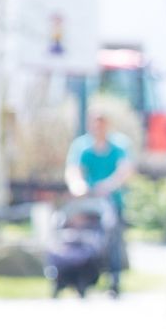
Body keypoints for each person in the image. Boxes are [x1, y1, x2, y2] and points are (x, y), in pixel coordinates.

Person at [64, 112, 135, 296]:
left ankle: (114, 279)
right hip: (88, 203)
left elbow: (125, 170)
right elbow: (73, 170)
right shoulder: (82, 146)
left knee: (114, 240)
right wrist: (78, 186)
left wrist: (109, 185)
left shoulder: (119, 145)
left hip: (111, 201)